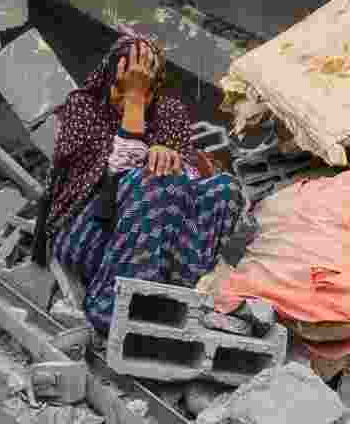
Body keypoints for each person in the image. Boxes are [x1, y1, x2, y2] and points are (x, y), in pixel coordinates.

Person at [32, 32, 244, 333]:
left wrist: (172, 157)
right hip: (90, 234)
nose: (139, 77)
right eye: (126, 80)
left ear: (156, 83)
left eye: (145, 82)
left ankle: (174, 300)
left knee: (223, 189)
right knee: (155, 181)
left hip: (158, 248)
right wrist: (134, 102)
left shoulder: (168, 111)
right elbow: (110, 177)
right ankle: (112, 307)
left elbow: (189, 185)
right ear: (111, 73)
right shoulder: (84, 107)